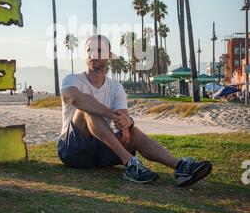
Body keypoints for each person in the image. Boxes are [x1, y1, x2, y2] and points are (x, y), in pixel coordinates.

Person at [58, 35, 212, 187]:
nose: (93, 54)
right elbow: (75, 99)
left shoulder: (115, 87)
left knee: (132, 131)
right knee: (87, 111)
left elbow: (123, 117)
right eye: (89, 50)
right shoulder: (72, 79)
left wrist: (127, 123)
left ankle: (181, 167)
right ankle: (131, 163)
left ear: (109, 55)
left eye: (99, 50)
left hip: (101, 152)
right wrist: (111, 115)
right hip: (72, 150)